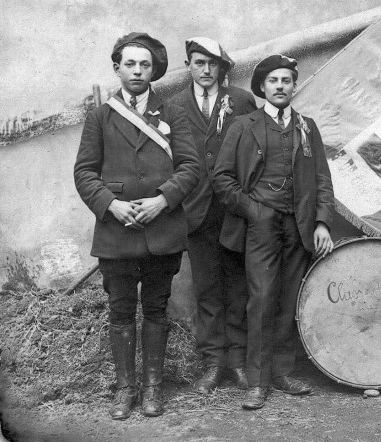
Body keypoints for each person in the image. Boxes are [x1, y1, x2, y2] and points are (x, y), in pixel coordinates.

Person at [73, 32, 200, 419]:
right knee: (121, 311)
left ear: (154, 71)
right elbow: (84, 172)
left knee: (157, 310)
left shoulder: (173, 112)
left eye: (145, 64)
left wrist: (163, 199)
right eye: (130, 64)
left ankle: (153, 390)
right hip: (117, 233)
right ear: (117, 68)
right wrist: (111, 204)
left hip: (163, 232)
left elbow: (192, 166)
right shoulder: (100, 115)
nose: (137, 71)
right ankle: (125, 391)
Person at [212, 54, 335, 410]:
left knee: (289, 298)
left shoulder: (307, 127)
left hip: (298, 225)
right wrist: (254, 211)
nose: (280, 87)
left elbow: (323, 181)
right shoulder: (243, 126)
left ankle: (282, 373)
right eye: (273, 81)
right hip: (260, 226)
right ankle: (257, 382)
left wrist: (322, 222)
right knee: (262, 299)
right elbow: (222, 179)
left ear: (294, 86)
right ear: (262, 88)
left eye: (286, 81)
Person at [168, 37, 257, 394]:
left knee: (238, 287)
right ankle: (213, 363)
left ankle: (238, 361)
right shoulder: (174, 106)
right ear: (188, 65)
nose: (205, 71)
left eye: (212, 64)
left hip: (234, 211)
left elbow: (254, 151)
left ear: (222, 67)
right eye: (198, 63)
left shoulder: (241, 100)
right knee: (206, 289)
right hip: (195, 211)